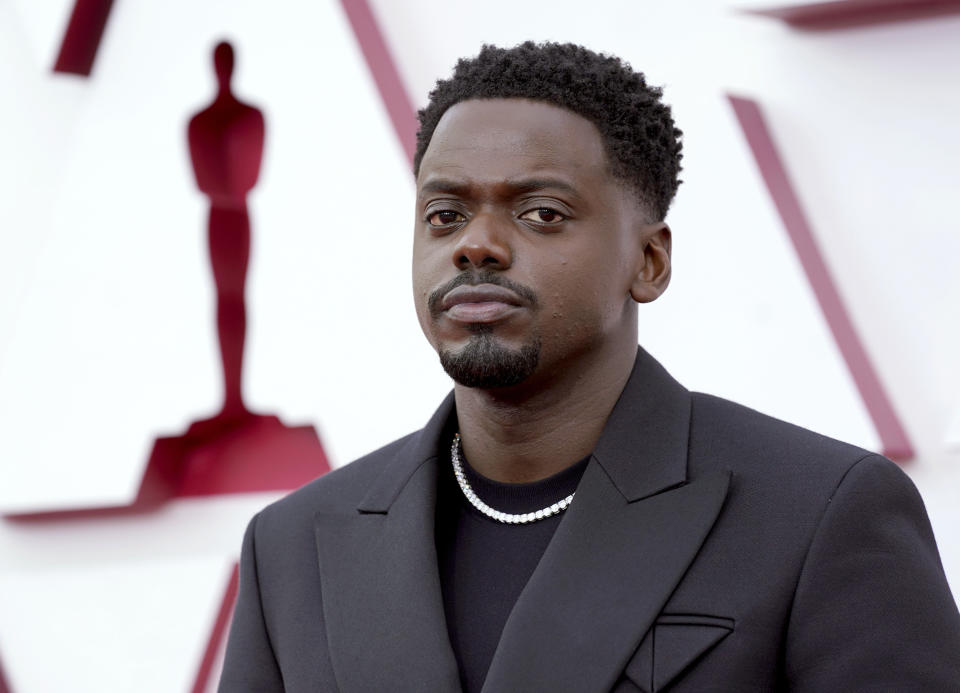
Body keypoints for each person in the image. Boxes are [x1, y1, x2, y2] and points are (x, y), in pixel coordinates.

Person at [218, 42, 960, 692]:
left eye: (540, 212)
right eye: (444, 214)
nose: (476, 245)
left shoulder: (819, 514)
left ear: (649, 260)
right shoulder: (292, 548)